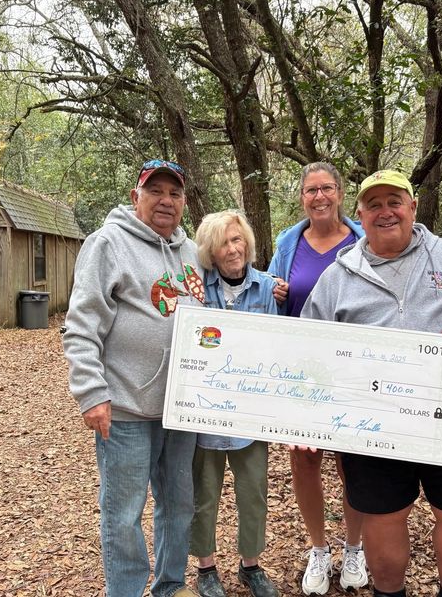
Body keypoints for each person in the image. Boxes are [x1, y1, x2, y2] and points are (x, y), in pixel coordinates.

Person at [267, 162, 442, 596]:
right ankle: (364, 574)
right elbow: (305, 339)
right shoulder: (330, 268)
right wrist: (301, 413)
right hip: (367, 411)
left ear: (412, 206)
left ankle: (438, 584)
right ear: (362, 214)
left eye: (394, 202)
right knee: (383, 512)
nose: (385, 211)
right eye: (375, 204)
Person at [63, 159, 205, 597]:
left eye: (174, 193)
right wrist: (91, 393)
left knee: (178, 505)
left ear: (184, 202)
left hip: (180, 408)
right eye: (155, 191)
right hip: (125, 406)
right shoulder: (108, 244)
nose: (165, 200)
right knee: (123, 514)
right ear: (135, 197)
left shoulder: (190, 251)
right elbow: (81, 324)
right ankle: (124, 591)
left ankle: (170, 586)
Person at [190, 210, 279, 597]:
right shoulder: (196, 288)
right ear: (210, 251)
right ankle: (206, 568)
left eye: (237, 240)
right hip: (204, 410)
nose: (232, 249)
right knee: (204, 492)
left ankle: (251, 565)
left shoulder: (266, 288)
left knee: (253, 491)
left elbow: (276, 346)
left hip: (249, 413)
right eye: (223, 243)